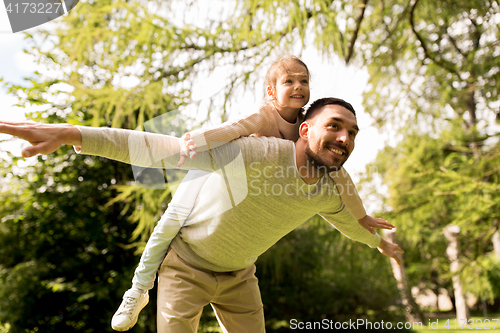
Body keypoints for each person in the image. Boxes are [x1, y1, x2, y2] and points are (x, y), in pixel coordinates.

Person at [0, 97, 403, 333]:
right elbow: (165, 149)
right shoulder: (256, 152)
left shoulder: (332, 190)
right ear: (304, 130)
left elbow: (352, 223)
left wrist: (380, 244)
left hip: (241, 277)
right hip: (184, 266)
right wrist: (74, 133)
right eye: (335, 126)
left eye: (352, 133)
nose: (344, 139)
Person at [109, 56, 393, 330]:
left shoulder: (309, 130)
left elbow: (342, 180)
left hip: (244, 194)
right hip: (216, 169)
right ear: (271, 92)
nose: (298, 86)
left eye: (304, 81)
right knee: (171, 221)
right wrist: (192, 141)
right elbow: (230, 130)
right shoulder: (264, 115)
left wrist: (363, 218)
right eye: (289, 81)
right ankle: (137, 290)